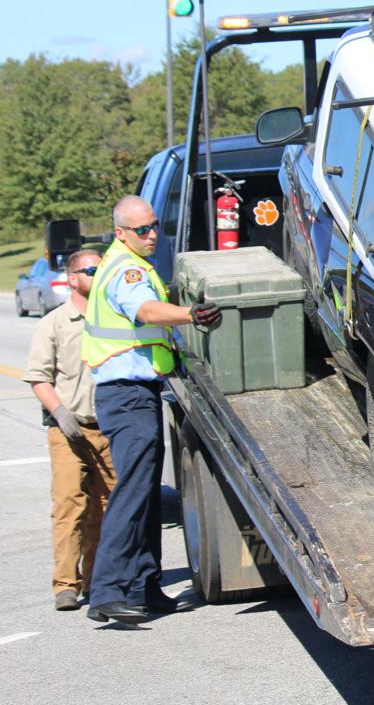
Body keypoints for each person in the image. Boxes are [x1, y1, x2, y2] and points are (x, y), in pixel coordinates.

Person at [82, 195, 222, 625]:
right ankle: (107, 591)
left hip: (136, 394)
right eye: (142, 229)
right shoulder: (126, 270)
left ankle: (144, 587)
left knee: (144, 491)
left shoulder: (133, 264)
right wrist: (189, 315)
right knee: (132, 491)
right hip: (125, 394)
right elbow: (145, 310)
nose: (152, 235)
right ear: (121, 232)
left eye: (155, 226)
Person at [22, 248, 117, 612]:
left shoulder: (113, 319)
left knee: (108, 507)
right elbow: (39, 377)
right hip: (68, 431)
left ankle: (97, 579)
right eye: (91, 271)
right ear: (73, 278)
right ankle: (65, 584)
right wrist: (60, 413)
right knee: (70, 505)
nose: (97, 275)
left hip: (108, 428)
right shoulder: (54, 323)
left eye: (101, 269)